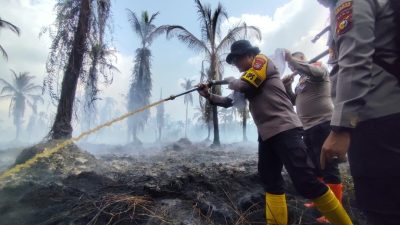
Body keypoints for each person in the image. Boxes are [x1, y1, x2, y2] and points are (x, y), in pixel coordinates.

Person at [197, 39, 353, 225]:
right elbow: (228, 101)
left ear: (249, 55)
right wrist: (208, 95)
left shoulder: (261, 62)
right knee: (271, 182)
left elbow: (246, 85)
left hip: (285, 129)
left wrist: (232, 81)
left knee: (306, 182)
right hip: (266, 135)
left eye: (237, 59)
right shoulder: (247, 76)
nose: (236, 63)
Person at [317, 0, 400, 224]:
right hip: (386, 117)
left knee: (383, 209)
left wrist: (342, 127)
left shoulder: (348, 3)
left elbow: (354, 61)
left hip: (376, 120)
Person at [282, 51, 343, 223]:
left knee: (329, 166)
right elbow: (293, 101)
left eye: (298, 61)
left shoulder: (318, 69)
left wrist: (291, 60)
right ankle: (321, 202)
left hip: (323, 123)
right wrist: (287, 86)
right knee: (315, 166)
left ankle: (334, 210)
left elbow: (312, 71)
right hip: (307, 128)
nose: (293, 66)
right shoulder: (301, 81)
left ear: (305, 60)